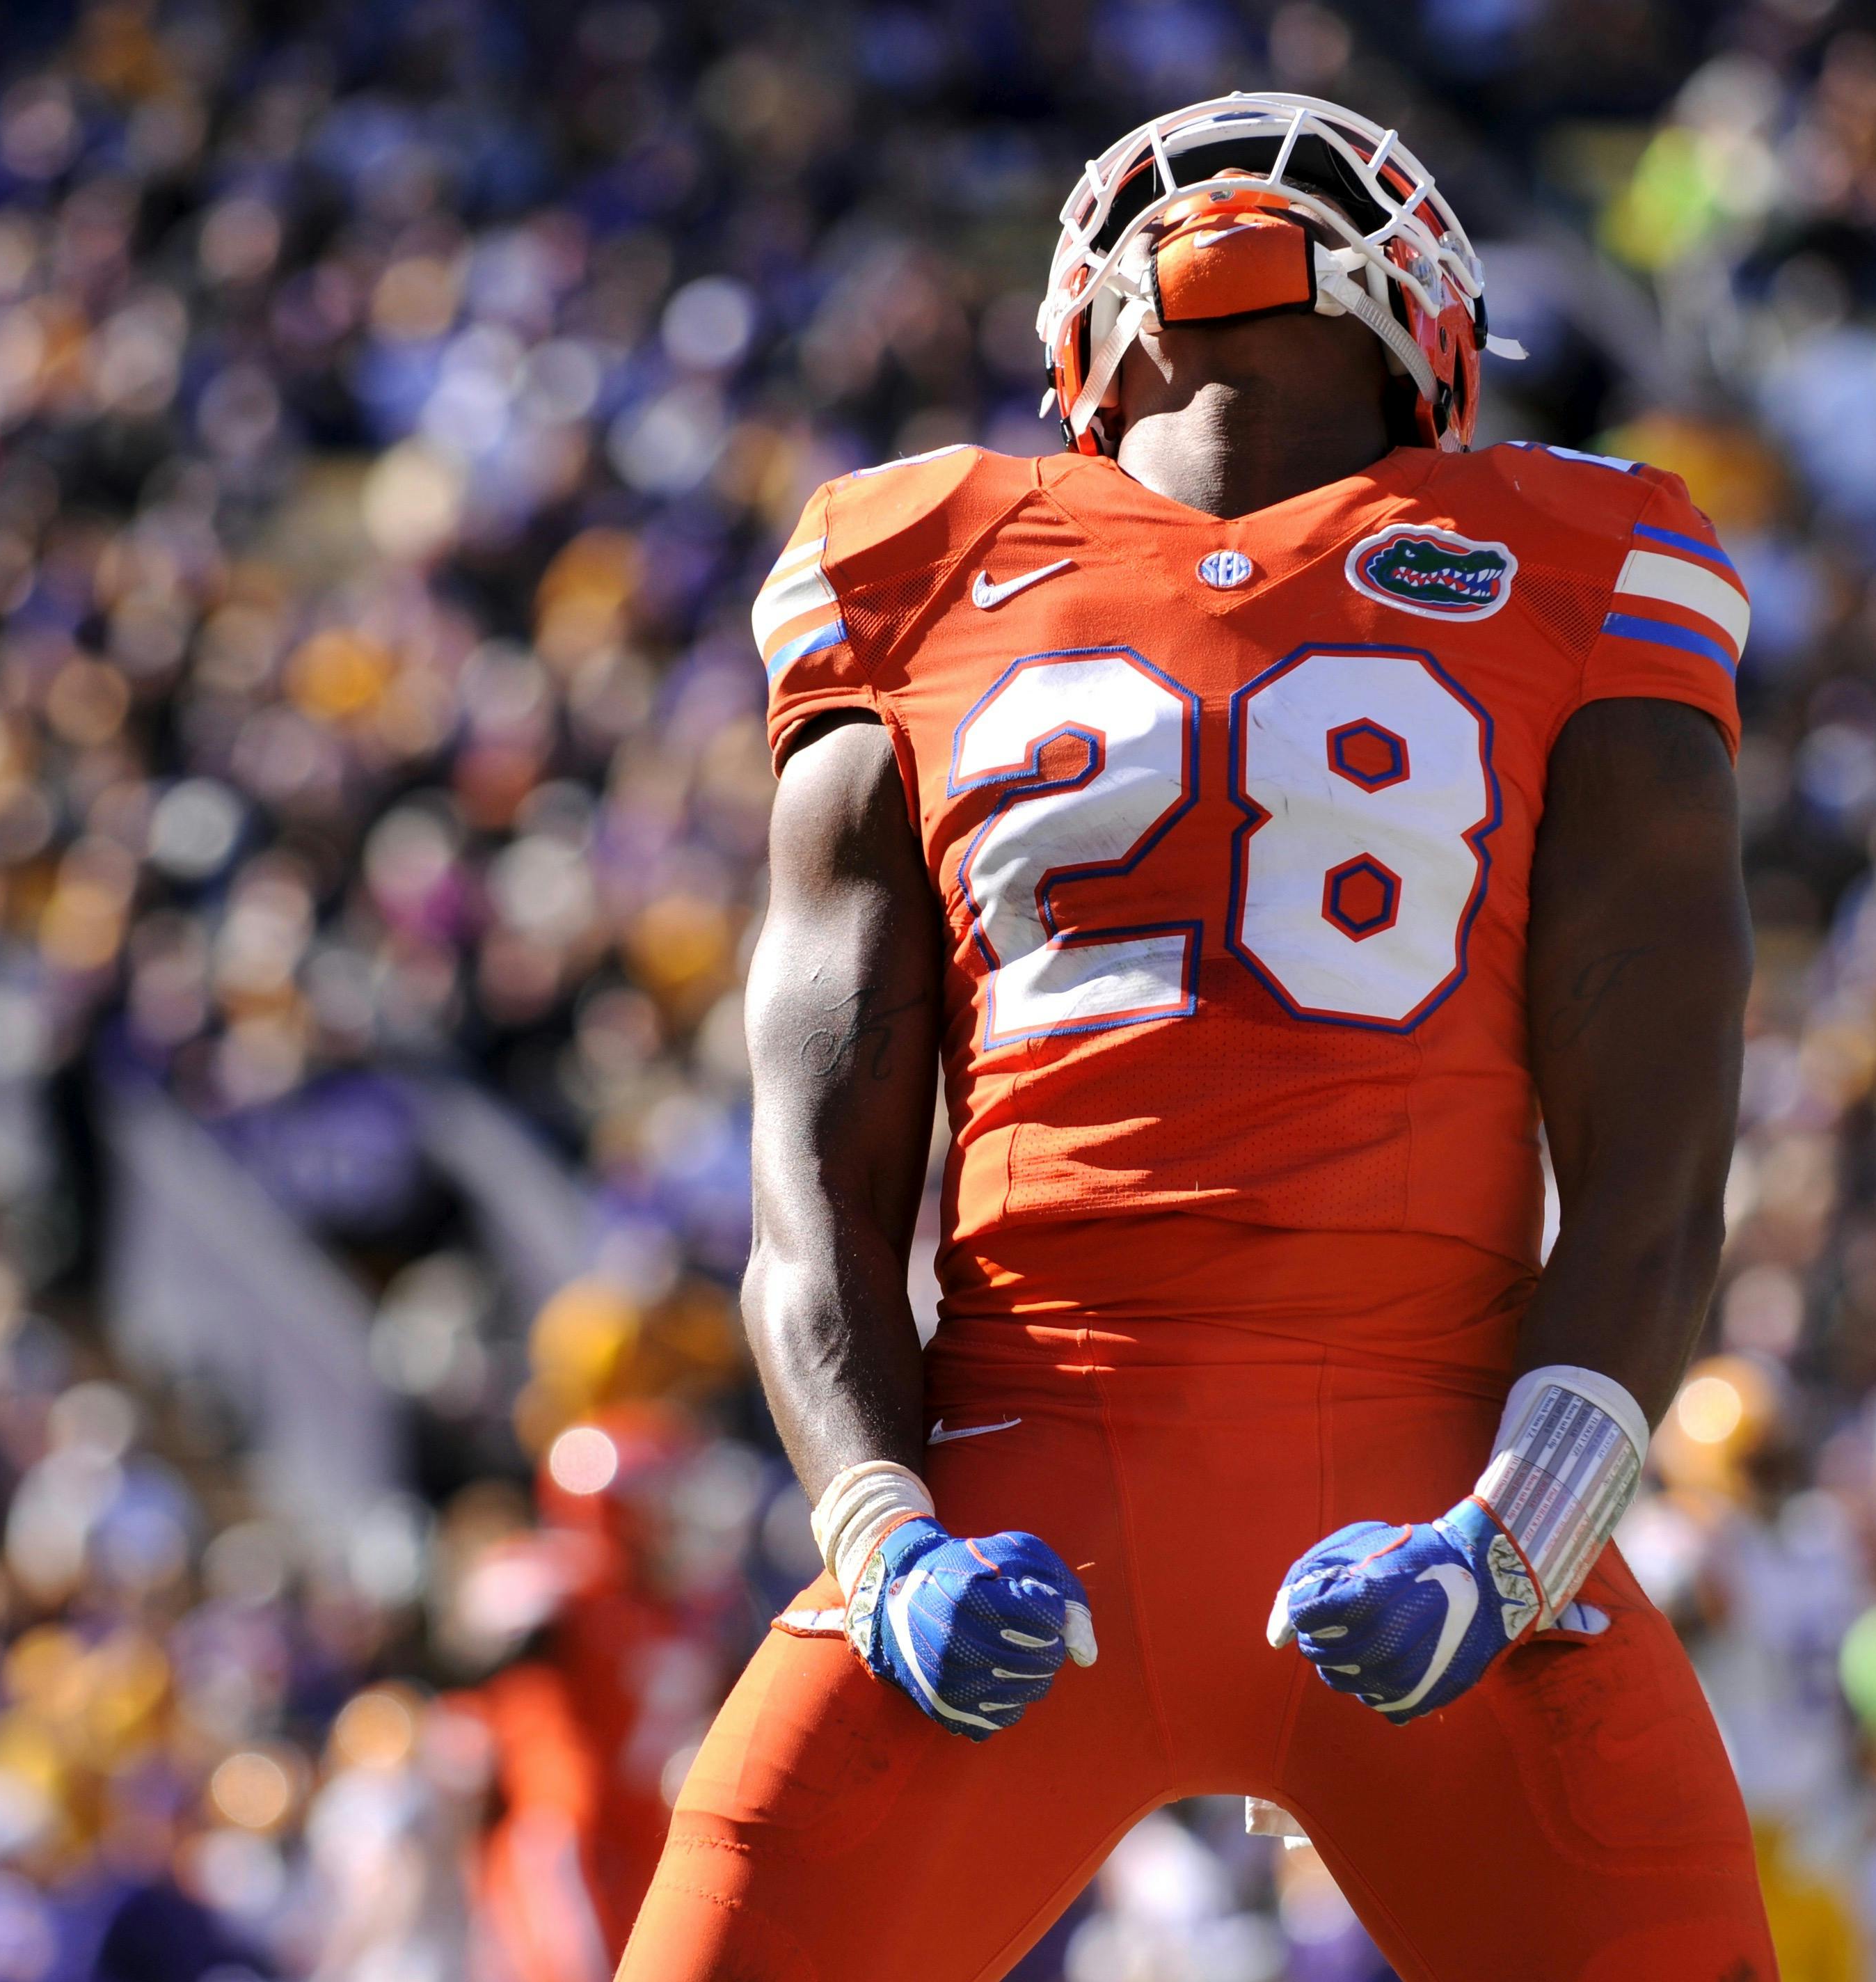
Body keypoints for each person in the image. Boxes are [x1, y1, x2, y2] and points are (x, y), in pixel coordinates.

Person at [619, 93, 1772, 1981]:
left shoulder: (910, 564)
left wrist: (886, 1540)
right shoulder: (1587, 554)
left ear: (1096, 323)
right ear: (1429, 331)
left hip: (1037, 1502)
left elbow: (813, 1205)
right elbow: (1655, 1189)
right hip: (1418, 1519)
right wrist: (1510, 1550)